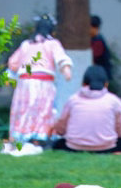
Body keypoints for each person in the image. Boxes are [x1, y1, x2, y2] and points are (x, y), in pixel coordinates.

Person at [7, 15, 72, 146]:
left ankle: (21, 136)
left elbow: (13, 62)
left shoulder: (26, 45)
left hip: (24, 83)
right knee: (42, 109)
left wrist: (11, 76)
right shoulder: (52, 44)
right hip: (43, 83)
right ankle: (40, 137)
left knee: (25, 109)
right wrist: (66, 70)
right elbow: (61, 58)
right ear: (52, 30)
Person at [52, 64, 121, 152]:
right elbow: (120, 132)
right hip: (106, 147)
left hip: (75, 147)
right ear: (106, 84)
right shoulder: (114, 100)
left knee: (57, 143)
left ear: (83, 84)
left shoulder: (73, 100)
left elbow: (61, 128)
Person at [90, 14, 113, 79]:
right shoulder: (95, 39)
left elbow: (94, 59)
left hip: (101, 76)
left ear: (94, 28)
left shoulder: (98, 41)